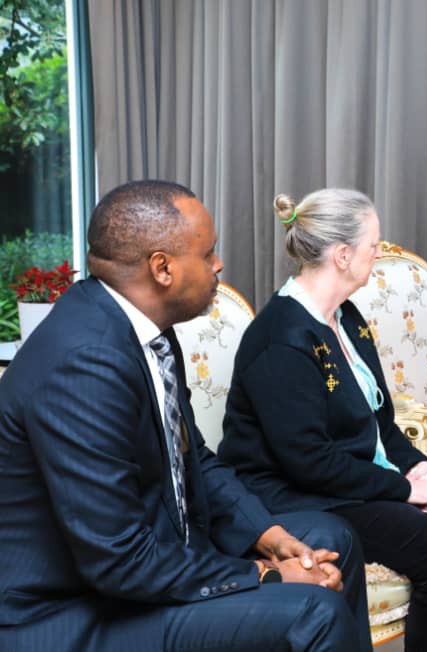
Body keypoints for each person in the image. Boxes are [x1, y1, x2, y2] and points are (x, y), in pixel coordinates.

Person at [0, 180, 368, 652]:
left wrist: (269, 536)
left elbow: (194, 459)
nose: (218, 265)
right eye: (208, 253)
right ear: (162, 268)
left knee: (333, 537)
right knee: (313, 614)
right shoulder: (85, 364)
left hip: (156, 549)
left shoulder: (147, 329)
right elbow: (119, 559)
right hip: (73, 611)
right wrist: (265, 574)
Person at [218, 188, 427, 652]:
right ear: (342, 255)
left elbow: (380, 418)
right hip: (298, 494)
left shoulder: (346, 317)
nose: (380, 254)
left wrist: (416, 466)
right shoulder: (281, 338)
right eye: (373, 244)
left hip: (350, 477)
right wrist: (402, 489)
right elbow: (308, 461)